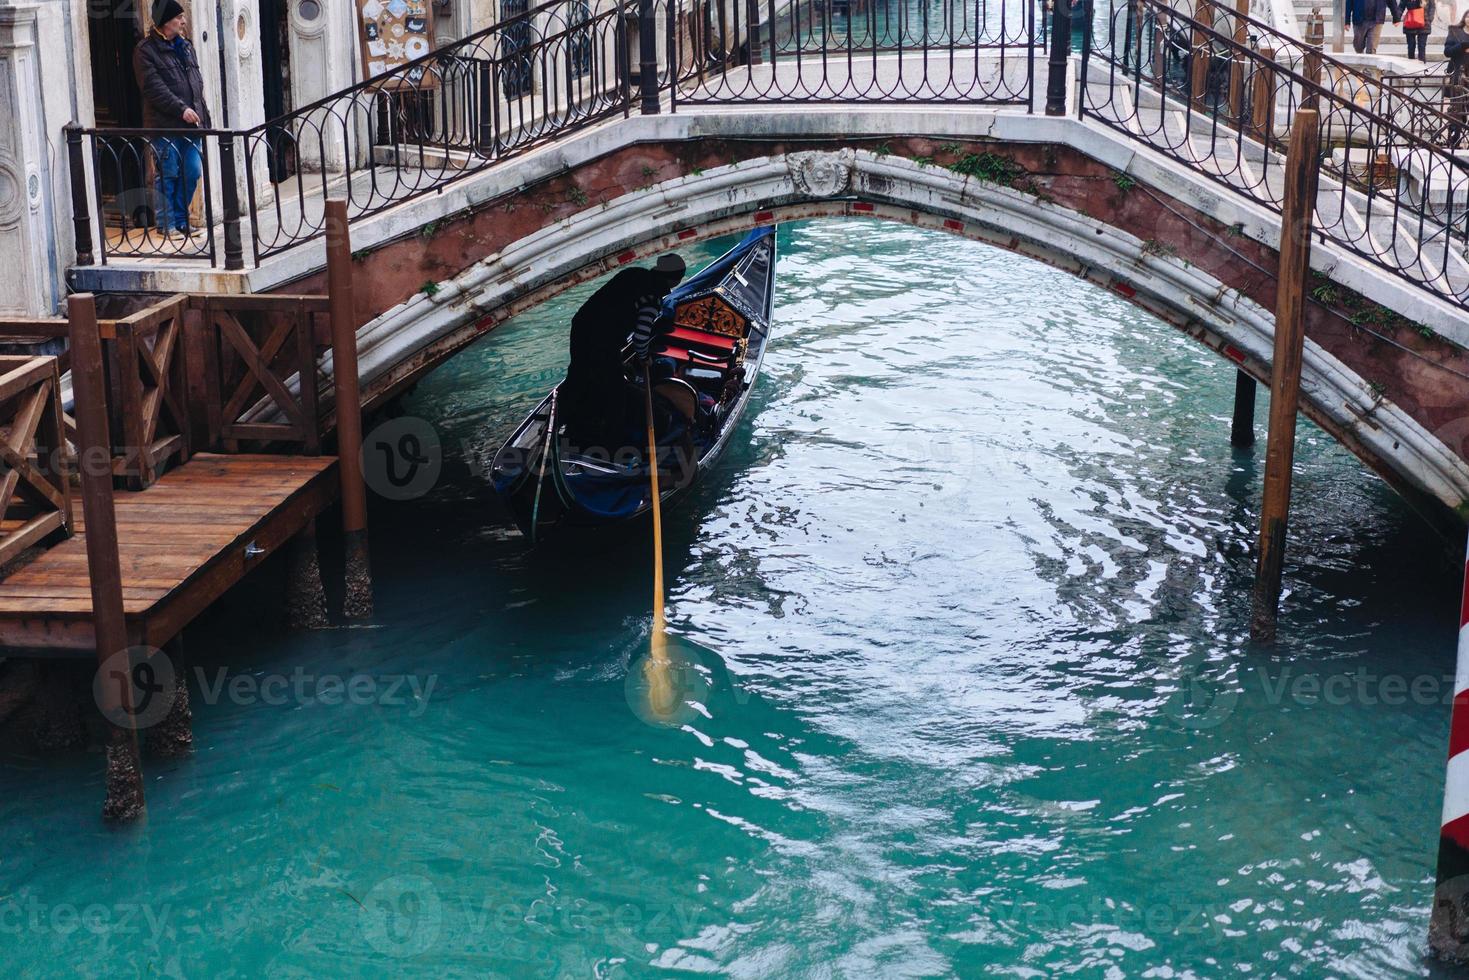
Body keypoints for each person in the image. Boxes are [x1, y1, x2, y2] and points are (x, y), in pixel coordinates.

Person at [562, 254, 686, 450]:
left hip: (581, 326)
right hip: (602, 341)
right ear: (676, 280)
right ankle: (611, 447)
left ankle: (560, 426)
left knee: (578, 375)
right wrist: (645, 358)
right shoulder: (653, 299)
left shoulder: (632, 273)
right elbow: (640, 338)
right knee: (616, 393)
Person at [133, 0, 211, 239]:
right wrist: (181, 109)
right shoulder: (145, 51)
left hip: (192, 124)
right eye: (179, 17)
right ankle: (167, 225)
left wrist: (203, 115)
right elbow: (154, 89)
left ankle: (181, 220)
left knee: (192, 171)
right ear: (166, 21)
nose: (184, 21)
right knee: (168, 173)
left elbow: (196, 84)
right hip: (164, 125)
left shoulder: (185, 46)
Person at [1447, 11, 1469, 146]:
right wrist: (1461, 47)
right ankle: (1454, 138)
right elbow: (1447, 51)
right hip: (1458, 75)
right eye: (1468, 16)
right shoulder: (1455, 31)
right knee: (1457, 109)